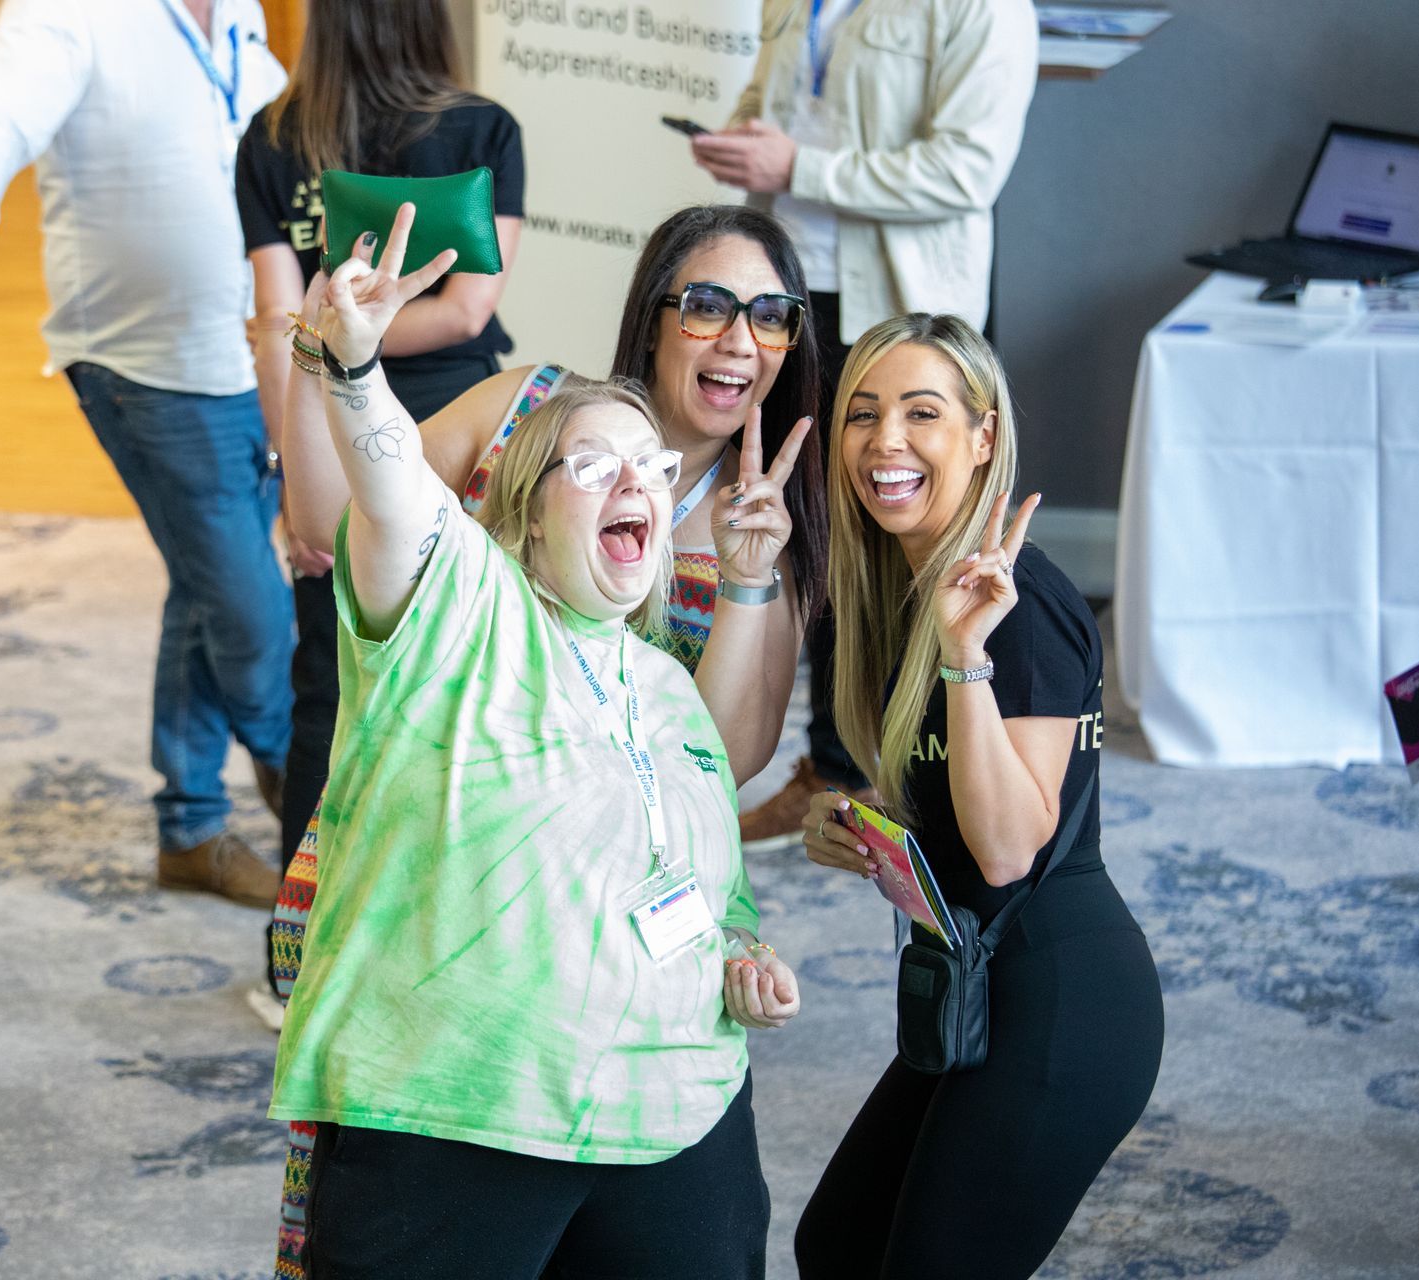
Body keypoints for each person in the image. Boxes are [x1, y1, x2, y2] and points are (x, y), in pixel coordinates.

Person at [266, 202, 826, 1276]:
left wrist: (738, 949)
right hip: (457, 1073)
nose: (636, 484)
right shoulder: (466, 600)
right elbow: (391, 494)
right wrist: (350, 369)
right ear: (520, 514)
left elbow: (705, 828)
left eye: (652, 474)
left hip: (672, 1096)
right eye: (596, 467)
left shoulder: (673, 682)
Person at [0, 0, 294, 907]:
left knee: (204, 586)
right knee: (253, 615)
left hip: (255, 356)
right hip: (144, 364)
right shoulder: (66, 11)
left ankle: (191, 827)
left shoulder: (240, 11)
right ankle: (312, 785)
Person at [795, 313, 1163, 1278]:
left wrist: (967, 656)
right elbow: (946, 793)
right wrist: (858, 821)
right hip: (981, 986)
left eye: (922, 413)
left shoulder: (1017, 606)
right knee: (835, 1248)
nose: (885, 442)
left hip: (1064, 1004)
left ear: (984, 435)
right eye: (863, 414)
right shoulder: (908, 589)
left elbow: (1007, 848)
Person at [690, 0, 1039, 849]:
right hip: (792, 293)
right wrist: (743, 140)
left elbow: (968, 169)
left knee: (909, 532)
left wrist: (799, 165)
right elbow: (773, 101)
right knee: (813, 528)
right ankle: (835, 764)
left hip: (902, 305)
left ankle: (930, 766)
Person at [233, 0, 525, 939]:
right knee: (461, 679)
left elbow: (276, 325)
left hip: (323, 416)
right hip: (463, 434)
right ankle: (447, 927)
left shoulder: (272, 137)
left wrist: (296, 471)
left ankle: (298, 950)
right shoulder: (484, 130)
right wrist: (364, 333)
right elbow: (470, 311)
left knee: (328, 687)